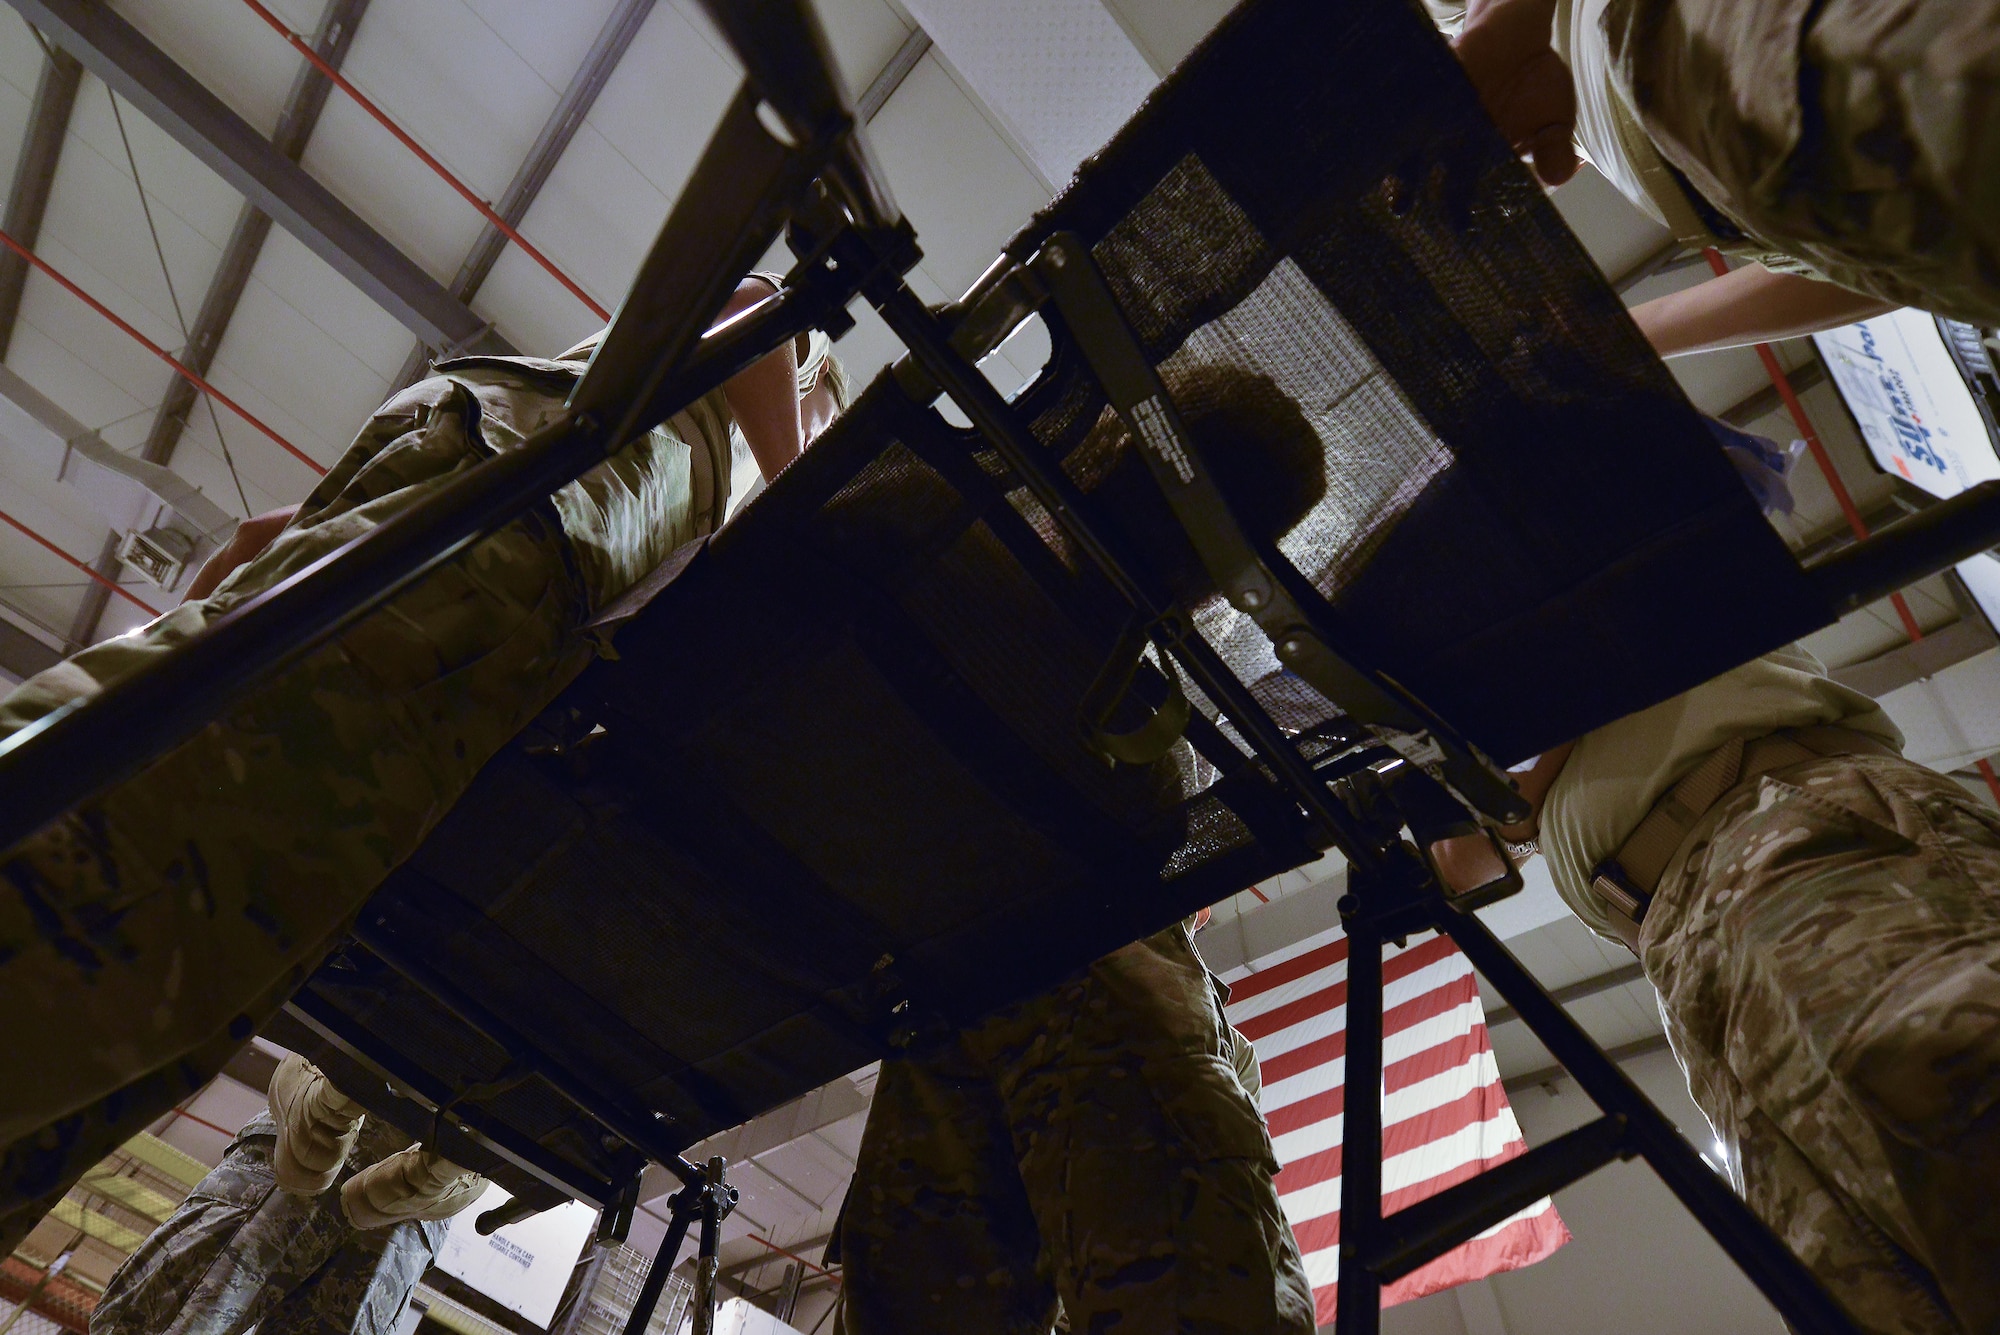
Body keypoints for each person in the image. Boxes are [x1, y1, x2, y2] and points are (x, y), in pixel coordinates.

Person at [0, 273, 849, 1256]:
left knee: (174, 981)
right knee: (164, 897)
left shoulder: (622, 473)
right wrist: (802, 499)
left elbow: (250, 544)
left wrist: (200, 644)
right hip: (513, 550)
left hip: (478, 576)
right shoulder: (708, 438)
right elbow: (752, 300)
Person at [835, 371, 1323, 1335]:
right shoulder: (1135, 749)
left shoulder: (910, 513)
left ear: (1104, 448)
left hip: (929, 998)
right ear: (1226, 573)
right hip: (1091, 998)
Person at [1438, 647, 2000, 1333]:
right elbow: (1459, 868)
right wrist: (1510, 800)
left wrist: (1505, 805)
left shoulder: (1528, 579)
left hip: (1776, 822)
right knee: (1864, 1287)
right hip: (1683, 927)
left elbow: (1577, 664)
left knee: (1951, 1093)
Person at [1451, 0, 2000, 334]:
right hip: (1756, 204)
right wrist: (1627, 335)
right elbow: (1869, 278)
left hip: (1690, 45)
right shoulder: (1545, 117)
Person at [91, 1056, 483, 1335]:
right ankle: (452, 1156)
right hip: (405, 1214)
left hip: (349, 1179)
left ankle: (337, 1105)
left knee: (152, 1323)